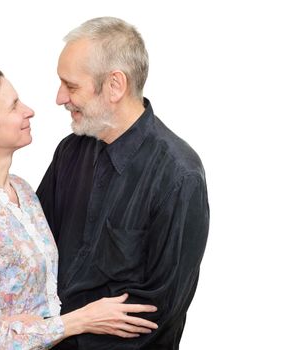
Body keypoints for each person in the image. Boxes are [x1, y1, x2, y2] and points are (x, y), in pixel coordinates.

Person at [0, 66, 159, 350]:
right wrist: (80, 320)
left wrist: (24, 325)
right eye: (13, 106)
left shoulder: (23, 191)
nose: (28, 111)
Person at [37, 17, 210, 349]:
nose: (60, 98)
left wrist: (61, 332)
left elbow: (155, 315)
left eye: (71, 86)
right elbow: (37, 253)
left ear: (115, 85)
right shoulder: (70, 152)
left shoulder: (178, 175)